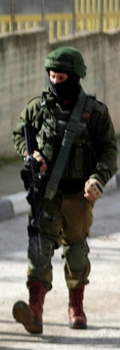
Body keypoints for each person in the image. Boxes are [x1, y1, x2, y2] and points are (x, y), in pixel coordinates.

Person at [11, 47, 117, 334]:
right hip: (46, 194)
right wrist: (29, 155)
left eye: (61, 77)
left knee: (77, 251)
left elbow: (110, 150)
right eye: (52, 76)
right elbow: (20, 133)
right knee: (39, 247)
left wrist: (98, 178)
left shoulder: (94, 113)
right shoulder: (37, 108)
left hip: (78, 197)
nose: (56, 82)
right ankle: (35, 311)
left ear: (75, 77)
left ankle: (76, 307)